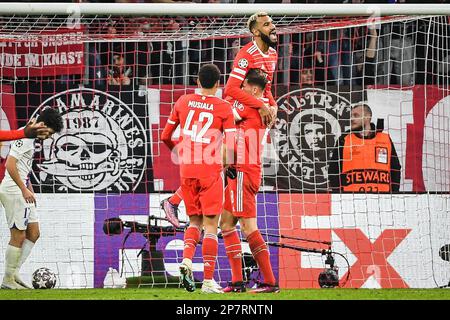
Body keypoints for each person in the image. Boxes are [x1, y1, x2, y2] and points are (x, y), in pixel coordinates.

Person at [160, 11, 279, 220]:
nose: (273, 26)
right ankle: (179, 203)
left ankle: (178, 203)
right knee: (222, 162)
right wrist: (259, 106)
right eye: (267, 24)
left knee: (224, 165)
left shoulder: (272, 54)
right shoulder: (246, 54)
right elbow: (231, 90)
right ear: (255, 31)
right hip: (236, 112)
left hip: (251, 111)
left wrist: (272, 105)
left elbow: (266, 87)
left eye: (272, 22)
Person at [160, 64, 236, 294]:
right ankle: (208, 281)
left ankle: (186, 261)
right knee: (211, 226)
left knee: (194, 222)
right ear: (218, 83)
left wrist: (180, 152)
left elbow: (165, 136)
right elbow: (231, 149)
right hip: (209, 170)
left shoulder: (183, 101)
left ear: (197, 81)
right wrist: (225, 163)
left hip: (187, 170)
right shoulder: (224, 107)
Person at [220, 68, 279, 294]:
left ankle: (270, 282)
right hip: (241, 169)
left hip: (243, 170)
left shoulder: (249, 106)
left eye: (244, 87)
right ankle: (237, 282)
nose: (240, 90)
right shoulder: (265, 106)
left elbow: (225, 107)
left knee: (247, 225)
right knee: (226, 224)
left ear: (254, 89)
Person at [1, 108, 63, 289]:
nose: (49, 137)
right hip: (13, 190)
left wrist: (30, 188)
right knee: (18, 235)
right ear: (42, 126)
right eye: (49, 133)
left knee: (34, 233)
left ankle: (14, 273)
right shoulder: (25, 138)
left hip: (22, 190)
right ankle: (7, 280)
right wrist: (23, 189)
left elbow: (23, 168)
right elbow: (10, 165)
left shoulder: (31, 137)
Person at [328, 103, 401, 193]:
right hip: (351, 199)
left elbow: (395, 169)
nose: (352, 119)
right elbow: (333, 170)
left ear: (367, 117)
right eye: (351, 116)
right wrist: (339, 194)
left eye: (356, 115)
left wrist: (394, 194)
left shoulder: (385, 139)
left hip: (382, 200)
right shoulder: (344, 139)